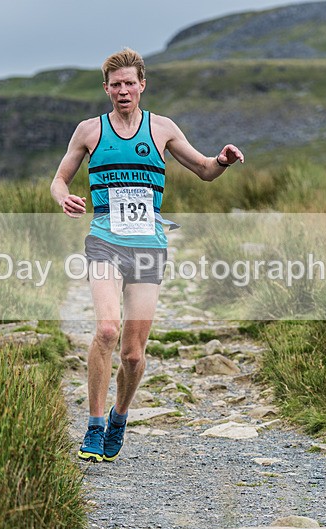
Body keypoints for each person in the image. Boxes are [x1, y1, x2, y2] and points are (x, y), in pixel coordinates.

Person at [50, 48, 244, 463]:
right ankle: (95, 426)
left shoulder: (162, 129)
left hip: (148, 245)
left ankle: (120, 416)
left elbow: (205, 169)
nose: (123, 91)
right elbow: (59, 180)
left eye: (130, 83)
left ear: (142, 85)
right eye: (115, 85)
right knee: (105, 330)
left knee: (133, 354)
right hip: (104, 240)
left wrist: (222, 160)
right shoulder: (89, 131)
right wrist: (64, 198)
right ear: (107, 89)